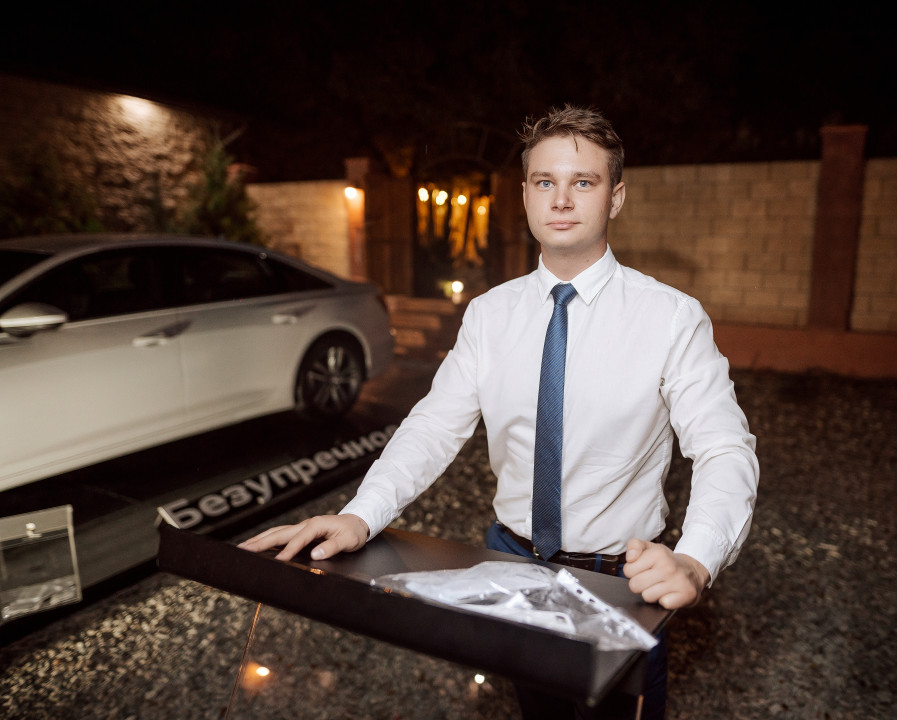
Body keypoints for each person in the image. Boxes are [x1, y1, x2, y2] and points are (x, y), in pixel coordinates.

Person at [240, 104, 759, 719]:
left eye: (583, 182)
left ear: (615, 198)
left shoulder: (671, 318)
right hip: (507, 564)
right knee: (537, 710)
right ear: (525, 195)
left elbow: (724, 448)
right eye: (545, 181)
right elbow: (434, 425)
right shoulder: (489, 315)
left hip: (621, 580)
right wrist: (361, 514)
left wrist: (695, 559)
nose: (561, 200)